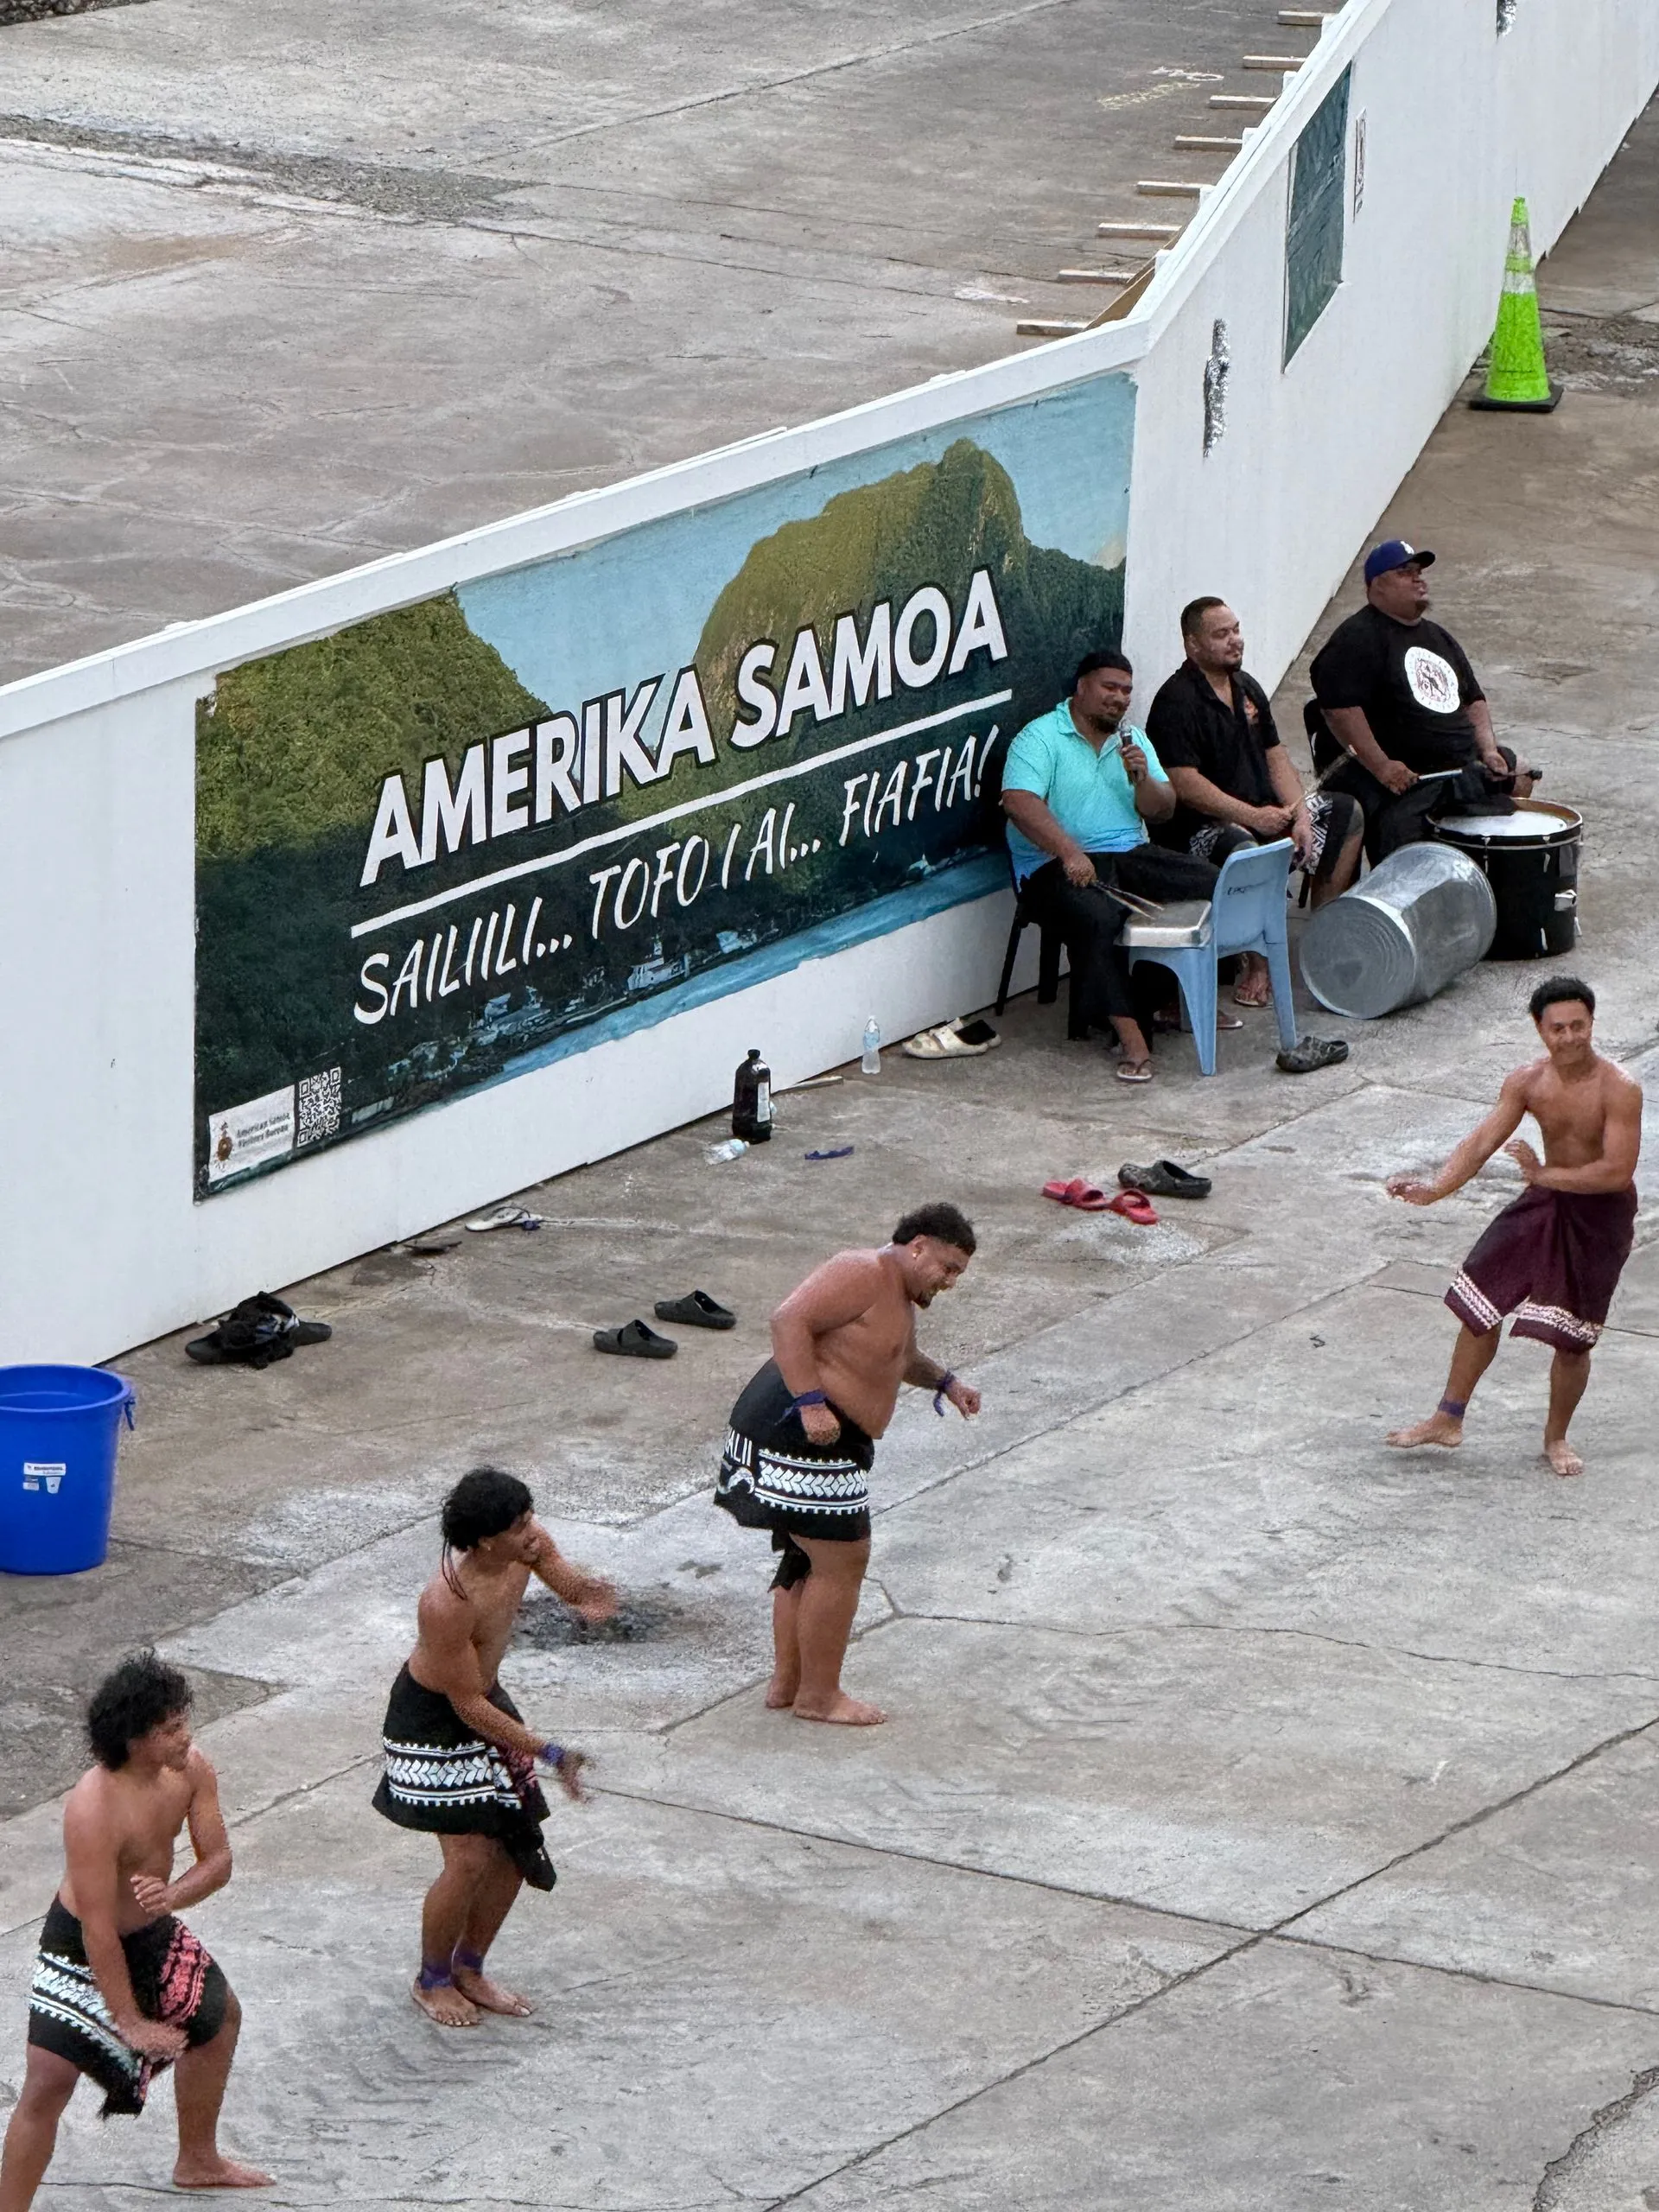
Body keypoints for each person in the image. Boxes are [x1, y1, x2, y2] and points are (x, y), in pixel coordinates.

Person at [1, 1653, 270, 2209]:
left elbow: (218, 1860)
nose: (185, 1736)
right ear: (135, 1738)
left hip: (152, 1927)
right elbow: (98, 1929)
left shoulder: (192, 1769)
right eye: (170, 1729)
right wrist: (130, 2022)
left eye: (183, 1722)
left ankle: (197, 2159)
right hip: (80, 1943)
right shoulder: (93, 1808)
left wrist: (173, 1896)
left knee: (221, 2018)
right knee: (49, 2079)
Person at [715, 1203, 982, 1726]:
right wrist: (811, 1402)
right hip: (800, 1426)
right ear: (917, 1245)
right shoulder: (862, 1271)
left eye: (957, 1274)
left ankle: (788, 1685)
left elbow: (895, 1357)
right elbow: (788, 1319)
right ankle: (820, 1697)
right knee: (842, 1561)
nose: (949, 1281)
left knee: (805, 1557)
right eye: (946, 1267)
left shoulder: (899, 1294)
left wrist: (948, 1383)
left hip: (820, 1430)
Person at [372, 1468, 616, 2026]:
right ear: (484, 1540)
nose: (533, 1532)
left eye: (531, 1517)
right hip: (431, 1720)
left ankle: (469, 1969)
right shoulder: (447, 1601)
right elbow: (466, 1706)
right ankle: (430, 1980)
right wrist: (548, 1752)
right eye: (519, 1525)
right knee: (468, 1858)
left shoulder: (526, 1546)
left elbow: (567, 1582)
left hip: (485, 1700)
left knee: (512, 1849)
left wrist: (589, 1595)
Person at [1385, 978, 1640, 1477]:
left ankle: (1556, 1437)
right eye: (1558, 1028)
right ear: (1539, 1029)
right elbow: (1481, 1141)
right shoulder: (1527, 1082)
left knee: (1573, 1335)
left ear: (1592, 1023)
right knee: (1479, 1298)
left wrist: (1546, 1175)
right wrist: (1437, 1188)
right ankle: (1447, 1418)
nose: (1569, 1038)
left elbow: (1616, 1170)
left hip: (1599, 1216)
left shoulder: (1620, 1088)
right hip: (1545, 1200)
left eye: (1579, 1026)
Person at [1001, 649, 1223, 1083]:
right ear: (1081, 687)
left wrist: (1142, 778)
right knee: (1099, 917)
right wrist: (1068, 852)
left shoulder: (1133, 741)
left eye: (1126, 691)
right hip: (1054, 866)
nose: (1119, 698)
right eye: (1109, 687)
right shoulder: (1040, 737)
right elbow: (1019, 802)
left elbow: (1162, 811)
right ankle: (1130, 1035)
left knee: (1212, 882)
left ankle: (1175, 999)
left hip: (1127, 854)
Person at [1147, 596, 1363, 1008]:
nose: (1236, 641)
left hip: (1263, 810)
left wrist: (1298, 814)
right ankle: (1257, 961)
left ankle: (1321, 940)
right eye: (1221, 634)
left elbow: (1275, 755)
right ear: (1193, 645)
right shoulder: (1176, 701)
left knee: (1345, 814)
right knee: (1243, 847)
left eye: (1236, 630)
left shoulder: (1247, 687)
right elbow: (1185, 784)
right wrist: (1253, 818)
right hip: (1201, 826)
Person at [1310, 540, 1535, 861]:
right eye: (1405, 572)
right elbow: (1339, 710)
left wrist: (1487, 749)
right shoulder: (1358, 637)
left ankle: (1499, 876)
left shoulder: (1438, 637)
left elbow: (1473, 700)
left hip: (1456, 765)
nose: (1419, 579)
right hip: (1402, 776)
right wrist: (1383, 766)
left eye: (1419, 572)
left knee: (1520, 769)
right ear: (1377, 586)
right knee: (1388, 825)